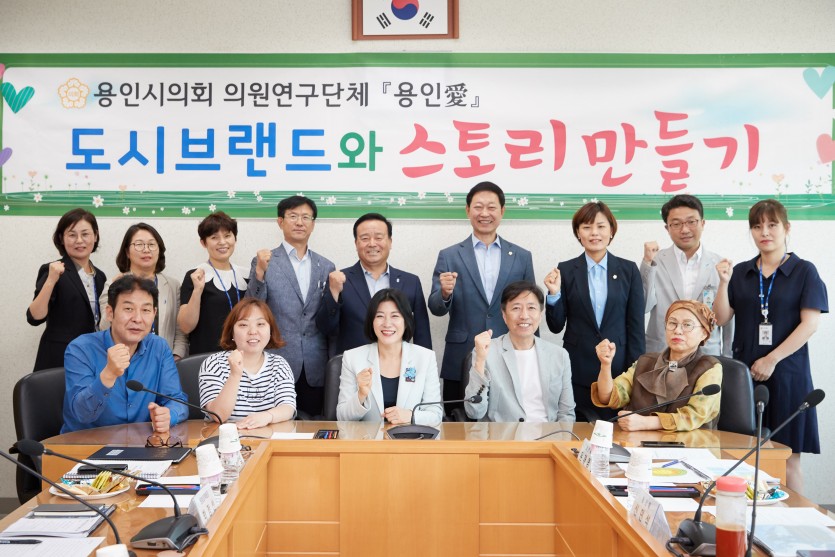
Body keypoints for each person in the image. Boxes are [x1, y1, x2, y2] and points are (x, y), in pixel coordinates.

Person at [713, 199, 827, 493]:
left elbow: (810, 324)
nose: (764, 232)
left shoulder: (804, 271)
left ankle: (794, 518)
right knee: (744, 457)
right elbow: (721, 318)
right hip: (745, 377)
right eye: (757, 226)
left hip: (788, 375)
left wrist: (772, 359)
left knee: (787, 458)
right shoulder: (741, 272)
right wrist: (723, 283)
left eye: (772, 224)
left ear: (787, 228)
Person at [428, 181, 535, 409]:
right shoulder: (449, 255)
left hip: (510, 354)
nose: (484, 213)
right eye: (478, 207)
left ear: (502, 211)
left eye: (491, 207)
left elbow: (531, 310)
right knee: (457, 421)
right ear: (468, 210)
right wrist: (445, 293)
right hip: (461, 356)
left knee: (506, 420)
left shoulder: (521, 256)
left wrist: (533, 354)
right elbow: (436, 308)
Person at [544, 201, 645, 421]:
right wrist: (553, 294)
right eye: (587, 227)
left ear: (611, 231)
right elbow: (556, 326)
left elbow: (636, 326)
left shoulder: (628, 270)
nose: (594, 233)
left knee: (616, 430)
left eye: (600, 226)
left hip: (618, 369)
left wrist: (635, 372)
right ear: (578, 233)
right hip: (578, 366)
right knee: (578, 428)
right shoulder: (566, 269)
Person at [62, 275, 189, 434]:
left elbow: (177, 400)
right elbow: (82, 414)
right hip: (86, 444)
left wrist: (169, 415)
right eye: (128, 309)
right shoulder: (80, 349)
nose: (137, 319)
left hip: (140, 443)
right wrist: (108, 375)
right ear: (110, 313)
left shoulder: (159, 347)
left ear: (154, 313)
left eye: (146, 310)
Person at [246, 196, 335, 417]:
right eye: (293, 216)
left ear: (313, 224)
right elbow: (251, 308)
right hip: (277, 361)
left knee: (314, 425)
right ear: (280, 221)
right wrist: (259, 273)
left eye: (306, 217)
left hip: (315, 364)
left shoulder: (326, 266)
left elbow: (328, 317)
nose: (299, 222)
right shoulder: (265, 261)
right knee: (276, 424)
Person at [592, 300, 722, 432]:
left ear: (704, 333)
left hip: (689, 443)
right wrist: (605, 365)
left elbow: (694, 416)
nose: (677, 330)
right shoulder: (646, 361)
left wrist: (645, 423)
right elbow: (608, 397)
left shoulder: (710, 367)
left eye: (687, 325)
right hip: (637, 440)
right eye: (672, 323)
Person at [317, 212, 431, 355]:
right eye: (365, 238)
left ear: (390, 242)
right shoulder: (339, 280)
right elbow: (325, 328)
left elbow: (422, 334)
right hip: (353, 364)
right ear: (356, 243)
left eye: (378, 237)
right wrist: (333, 294)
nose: (372, 244)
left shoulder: (411, 282)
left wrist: (425, 365)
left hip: (398, 364)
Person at [465, 281, 576, 423]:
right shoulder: (487, 351)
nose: (524, 315)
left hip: (549, 434)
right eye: (516, 308)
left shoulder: (559, 355)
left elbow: (566, 414)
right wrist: (480, 361)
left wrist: (561, 436)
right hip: (503, 435)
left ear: (540, 314)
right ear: (504, 315)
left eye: (531, 308)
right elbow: (474, 412)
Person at [642, 194, 733, 356]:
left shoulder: (720, 265)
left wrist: (727, 357)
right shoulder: (655, 261)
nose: (684, 230)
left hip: (706, 354)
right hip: (662, 352)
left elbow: (728, 320)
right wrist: (647, 264)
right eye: (676, 224)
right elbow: (643, 306)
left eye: (691, 222)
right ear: (667, 228)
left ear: (702, 223)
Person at [337, 288, 442, 426]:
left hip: (409, 438)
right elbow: (342, 416)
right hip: (367, 438)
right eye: (380, 316)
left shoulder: (425, 357)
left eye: (395, 316)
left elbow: (436, 414)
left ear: (406, 321)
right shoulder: (352, 358)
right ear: (371, 321)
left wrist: (410, 416)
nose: (387, 323)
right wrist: (361, 395)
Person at [27, 208, 107, 371]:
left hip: (91, 356)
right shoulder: (52, 270)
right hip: (59, 358)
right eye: (72, 235)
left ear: (95, 236)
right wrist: (51, 279)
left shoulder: (100, 277)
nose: (79, 240)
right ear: (61, 239)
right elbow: (34, 317)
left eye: (85, 234)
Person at [198, 298, 296, 428]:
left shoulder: (279, 365)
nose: (253, 331)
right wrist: (235, 375)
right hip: (224, 437)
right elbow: (218, 415)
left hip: (268, 436)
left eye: (260, 324)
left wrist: (266, 416)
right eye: (243, 325)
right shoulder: (214, 364)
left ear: (270, 331)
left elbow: (288, 407)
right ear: (232, 332)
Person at [99, 223, 188, 359]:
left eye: (152, 244)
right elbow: (104, 327)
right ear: (127, 252)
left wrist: (176, 356)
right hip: (126, 360)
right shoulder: (114, 283)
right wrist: (114, 290)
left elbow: (180, 330)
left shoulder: (172, 285)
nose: (146, 250)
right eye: (139, 245)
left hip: (163, 360)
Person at [179, 211, 249, 355]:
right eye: (214, 237)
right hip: (205, 358)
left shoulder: (247, 276)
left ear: (235, 238)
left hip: (243, 356)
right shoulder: (195, 276)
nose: (222, 242)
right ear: (203, 243)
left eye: (227, 235)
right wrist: (197, 291)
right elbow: (185, 327)